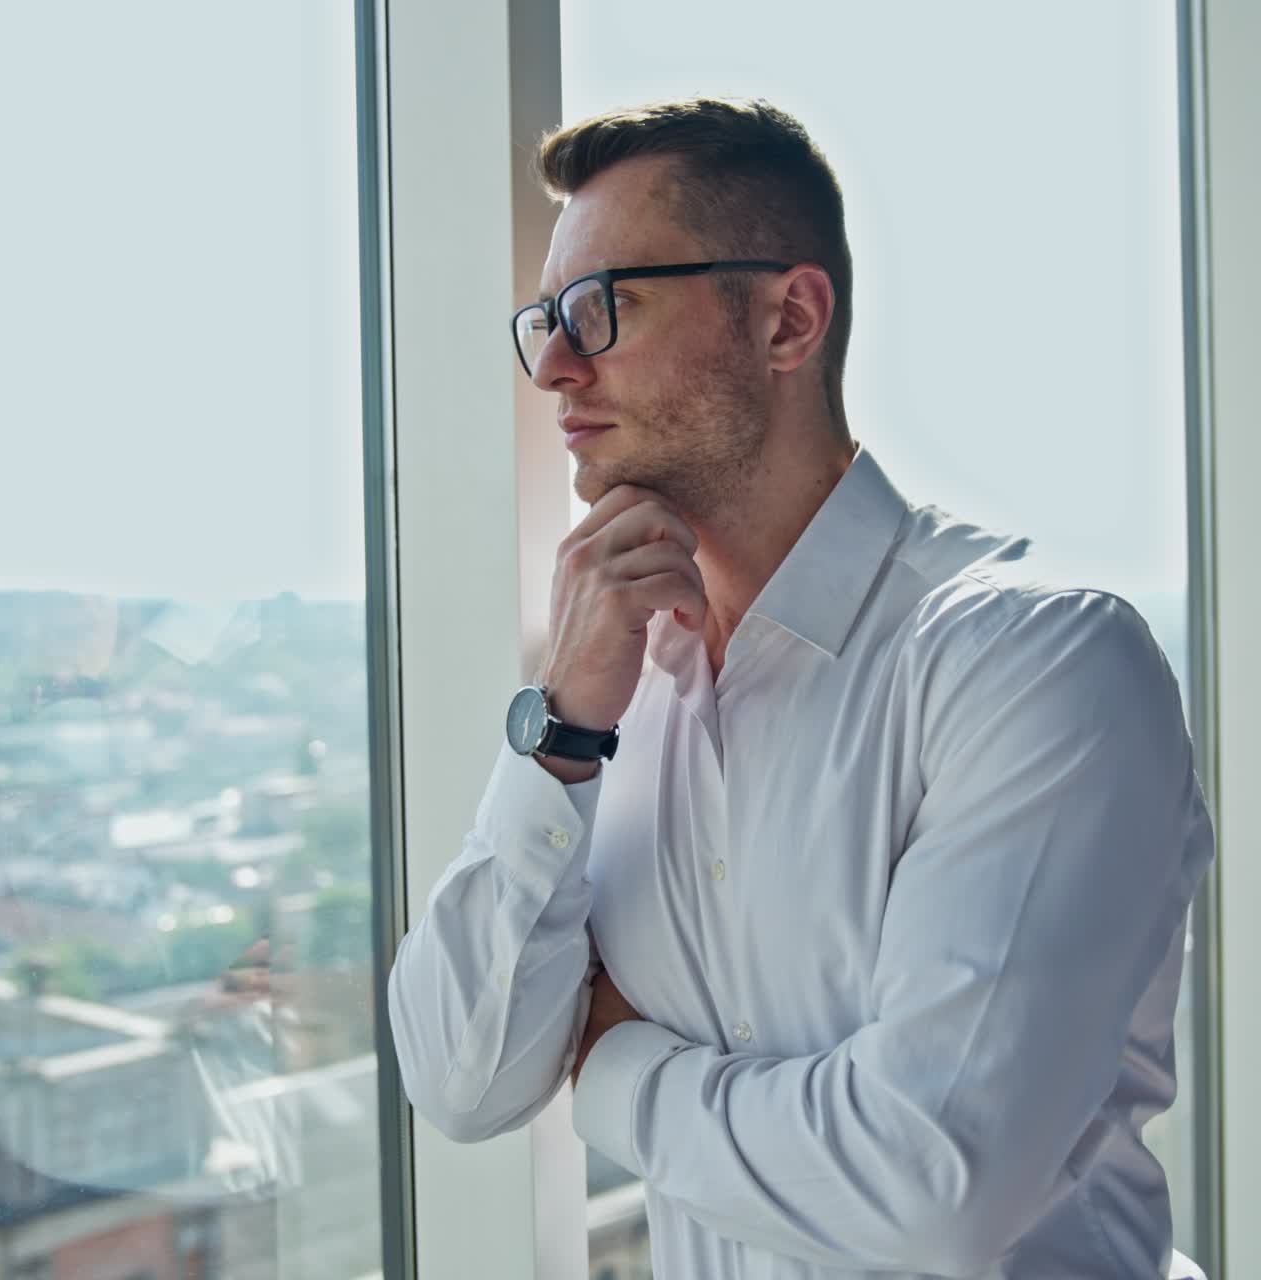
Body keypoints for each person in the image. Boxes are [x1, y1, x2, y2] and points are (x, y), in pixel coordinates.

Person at [386, 96, 1213, 1279]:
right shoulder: (612, 693)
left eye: (599, 309)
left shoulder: (1035, 665)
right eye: (544, 322)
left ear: (786, 319)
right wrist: (558, 729)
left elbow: (930, 1184)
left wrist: (613, 1062)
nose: (555, 367)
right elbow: (460, 1081)